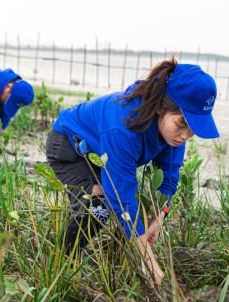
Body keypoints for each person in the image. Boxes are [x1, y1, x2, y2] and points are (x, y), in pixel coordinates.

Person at [45, 57, 219, 285]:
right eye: (181, 124)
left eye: (193, 129)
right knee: (100, 202)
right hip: (68, 146)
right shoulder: (123, 125)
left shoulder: (174, 135)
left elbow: (168, 176)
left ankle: (110, 252)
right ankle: (61, 260)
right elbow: (120, 194)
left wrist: (159, 216)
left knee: (126, 210)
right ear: (161, 108)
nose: (185, 135)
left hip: (99, 152)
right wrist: (149, 261)